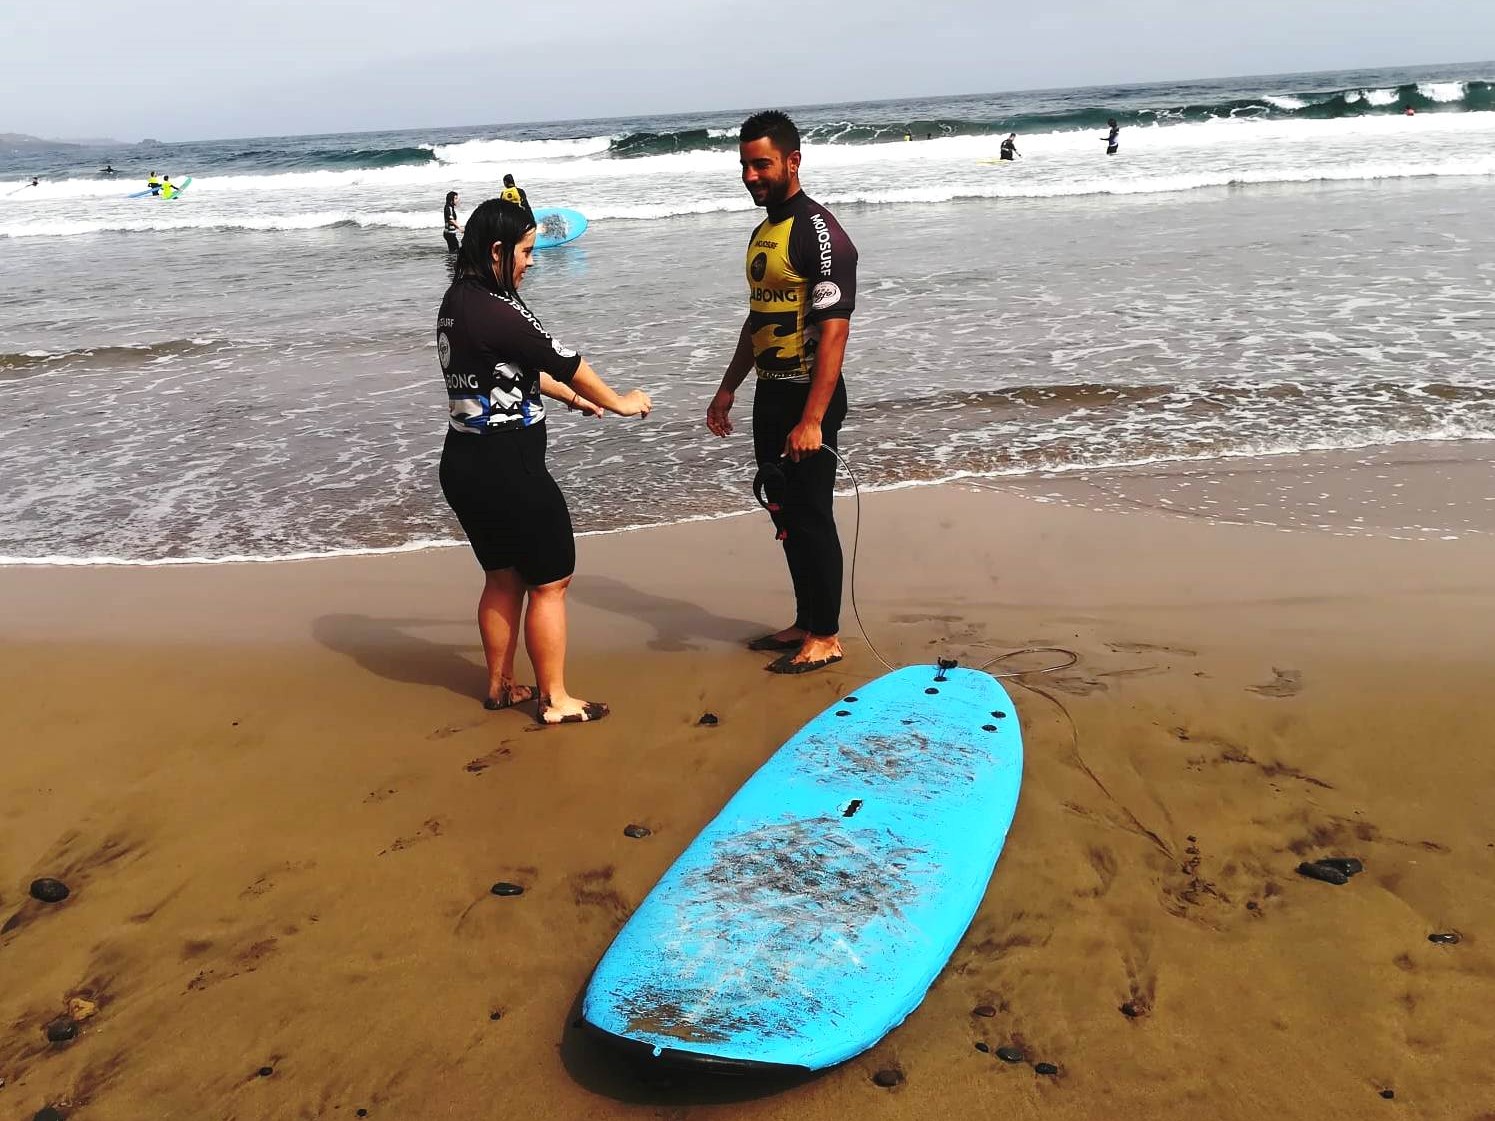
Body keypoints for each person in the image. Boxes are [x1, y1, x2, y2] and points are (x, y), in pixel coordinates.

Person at [437, 198, 653, 724]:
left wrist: (575, 401)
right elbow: (566, 360)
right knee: (551, 582)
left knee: (503, 578)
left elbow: (515, 369)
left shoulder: (457, 300)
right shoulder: (499, 307)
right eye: (526, 252)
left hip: (464, 463)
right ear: (497, 250)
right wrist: (616, 400)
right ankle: (555, 700)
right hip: (509, 467)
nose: (531, 262)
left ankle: (500, 686)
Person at [705, 110, 858, 675]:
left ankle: (826, 634)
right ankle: (805, 619)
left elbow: (835, 330)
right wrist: (727, 389)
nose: (750, 175)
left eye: (761, 164)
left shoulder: (819, 232)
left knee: (812, 514)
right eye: (744, 164)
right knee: (782, 510)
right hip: (770, 394)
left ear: (793, 161)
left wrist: (813, 418)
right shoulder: (762, 230)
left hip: (807, 398)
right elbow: (756, 320)